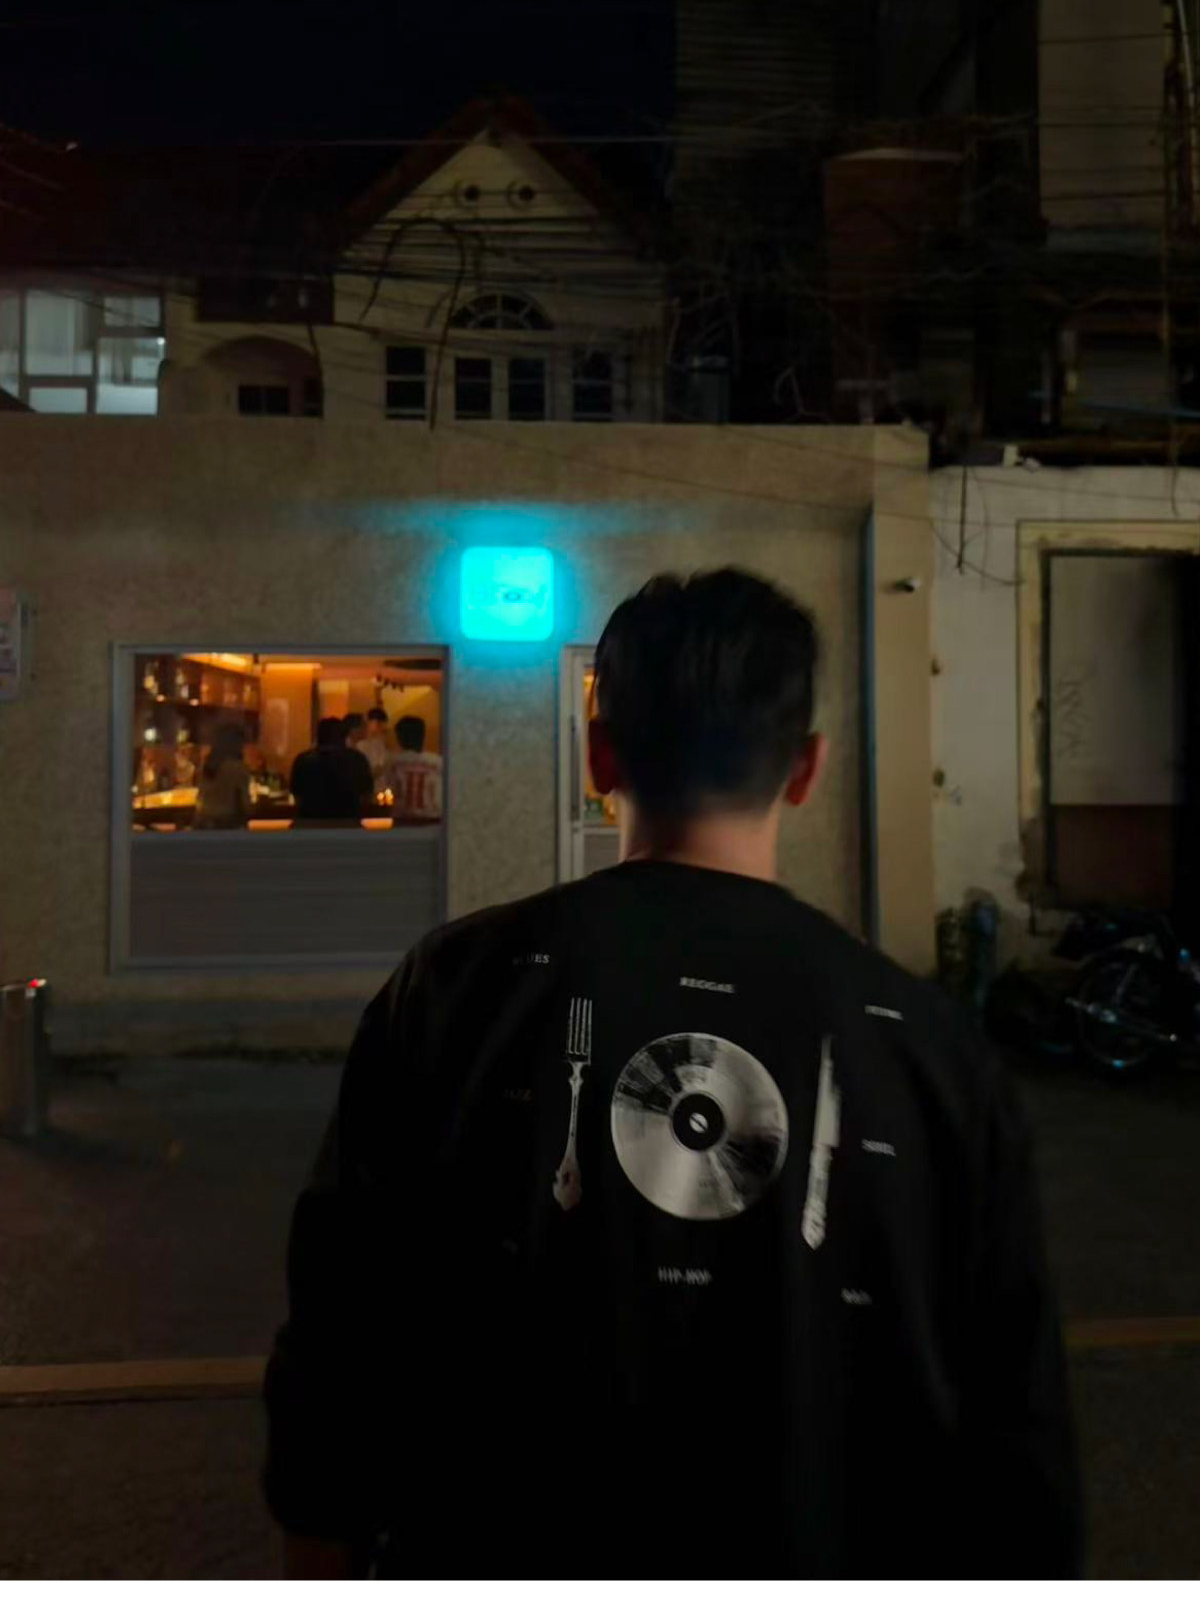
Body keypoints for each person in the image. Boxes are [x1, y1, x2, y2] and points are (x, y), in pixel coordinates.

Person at [264, 569, 1081, 1579]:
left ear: (599, 754)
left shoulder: (455, 987)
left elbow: (341, 1319)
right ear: (806, 769)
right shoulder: (929, 1042)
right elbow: (1016, 1419)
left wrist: (319, 1547)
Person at [289, 717, 373, 826]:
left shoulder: (303, 760)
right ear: (343, 736)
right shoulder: (356, 759)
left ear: (318, 736)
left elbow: (296, 794)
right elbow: (366, 793)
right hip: (348, 824)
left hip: (310, 824)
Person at [384, 714, 443, 823]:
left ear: (399, 738)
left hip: (402, 818)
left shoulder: (393, 762)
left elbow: (388, 785)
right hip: (432, 817)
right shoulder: (437, 762)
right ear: (423, 736)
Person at [193, 722, 252, 830]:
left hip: (202, 823)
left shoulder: (207, 765)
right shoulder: (237, 768)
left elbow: (200, 796)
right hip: (226, 825)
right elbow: (244, 804)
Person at [357, 707, 392, 795]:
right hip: (368, 788)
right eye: (377, 723)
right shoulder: (361, 745)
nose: (381, 727)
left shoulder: (384, 744)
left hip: (384, 788)